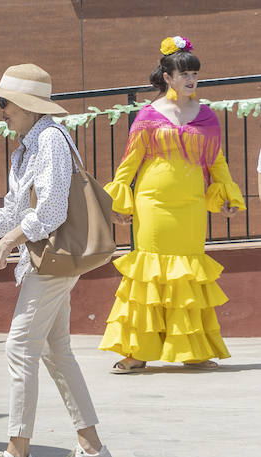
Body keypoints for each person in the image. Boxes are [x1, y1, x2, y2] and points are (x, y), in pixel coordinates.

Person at [0, 64, 117, 457]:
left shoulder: (50, 139)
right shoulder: (28, 146)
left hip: (52, 262)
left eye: (4, 102)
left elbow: (51, 210)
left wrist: (9, 242)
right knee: (56, 353)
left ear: (27, 105)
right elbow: (14, 210)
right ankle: (92, 453)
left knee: (20, 348)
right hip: (47, 261)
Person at [99, 37, 244, 372]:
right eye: (184, 74)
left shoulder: (205, 116)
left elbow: (216, 161)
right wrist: (118, 203)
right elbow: (129, 163)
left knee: (187, 276)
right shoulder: (148, 115)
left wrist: (226, 198)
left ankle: (192, 351)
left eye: (195, 74)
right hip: (152, 204)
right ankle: (137, 352)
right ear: (168, 77)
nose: (191, 80)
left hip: (191, 206)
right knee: (149, 275)